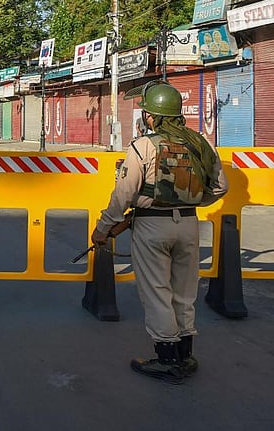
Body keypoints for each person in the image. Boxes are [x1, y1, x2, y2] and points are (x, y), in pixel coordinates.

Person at [91, 80, 228, 385]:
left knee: (157, 292)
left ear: (152, 117)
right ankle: (185, 355)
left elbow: (124, 193)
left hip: (152, 226)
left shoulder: (144, 146)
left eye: (146, 112)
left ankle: (167, 360)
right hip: (190, 224)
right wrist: (191, 201)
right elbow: (220, 187)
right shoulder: (201, 143)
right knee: (184, 292)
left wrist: (103, 227)